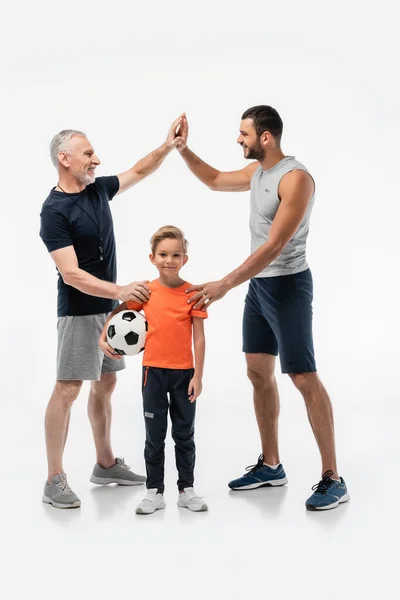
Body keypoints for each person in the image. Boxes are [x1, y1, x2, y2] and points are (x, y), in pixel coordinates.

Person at [175, 106, 349, 511]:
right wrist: (183, 149)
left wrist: (222, 285)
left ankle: (333, 477)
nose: (239, 140)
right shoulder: (259, 173)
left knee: (304, 377)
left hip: (287, 287)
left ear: (265, 136)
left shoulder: (296, 178)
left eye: (244, 134)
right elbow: (215, 180)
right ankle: (271, 465)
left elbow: (274, 246)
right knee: (257, 370)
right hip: (259, 287)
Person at [39, 117, 184, 509]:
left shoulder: (98, 190)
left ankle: (104, 464)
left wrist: (167, 146)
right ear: (64, 158)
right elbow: (71, 275)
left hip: (110, 314)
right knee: (68, 389)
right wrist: (120, 290)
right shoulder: (53, 211)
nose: (96, 160)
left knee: (105, 386)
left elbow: (139, 169)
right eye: (88, 154)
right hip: (79, 313)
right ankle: (54, 478)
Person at [99, 226, 208, 514]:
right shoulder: (146, 292)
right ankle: (154, 491)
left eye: (175, 255)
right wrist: (104, 336)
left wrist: (198, 374)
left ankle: (187, 489)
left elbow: (199, 336)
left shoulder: (192, 294)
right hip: (153, 374)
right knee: (155, 435)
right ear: (152, 257)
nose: (169, 260)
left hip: (184, 374)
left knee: (184, 434)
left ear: (185, 259)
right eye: (163, 254)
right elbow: (119, 314)